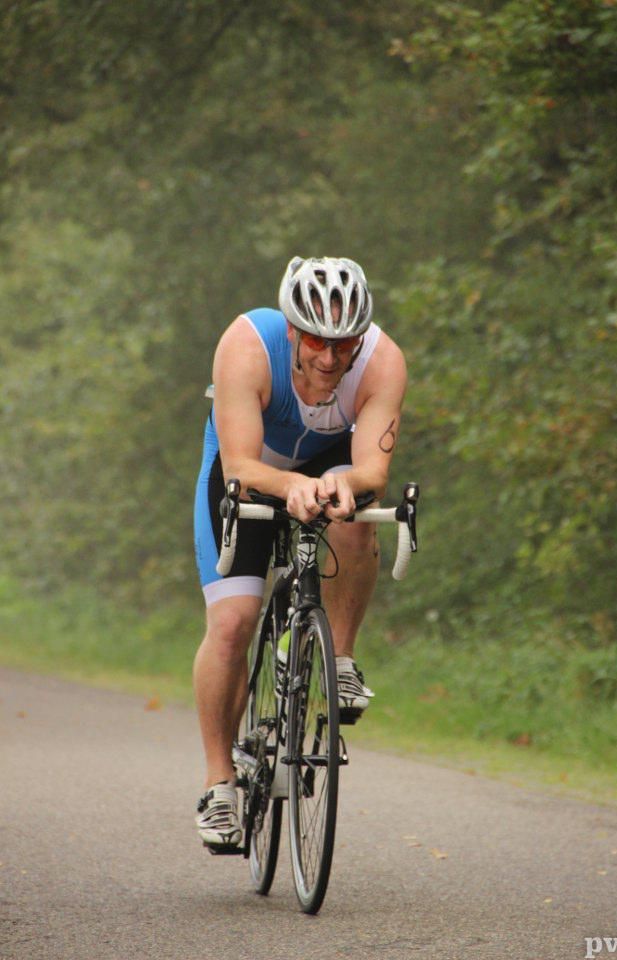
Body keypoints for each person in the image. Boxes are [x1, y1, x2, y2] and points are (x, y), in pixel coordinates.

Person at [193, 256, 407, 849]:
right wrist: (290, 487)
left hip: (326, 463)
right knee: (233, 623)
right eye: (316, 339)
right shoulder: (248, 343)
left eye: (345, 343)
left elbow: (373, 470)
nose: (330, 358)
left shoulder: (383, 361)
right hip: (249, 470)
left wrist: (348, 488)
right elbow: (238, 464)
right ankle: (218, 784)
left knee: (356, 522)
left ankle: (338, 660)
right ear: (291, 328)